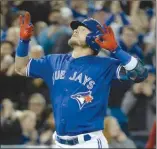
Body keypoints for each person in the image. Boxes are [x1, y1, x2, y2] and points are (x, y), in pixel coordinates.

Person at [15, 12, 148, 148]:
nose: (76, 30)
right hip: (59, 142)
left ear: (94, 39)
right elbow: (21, 67)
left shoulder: (104, 65)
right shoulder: (54, 61)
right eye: (76, 28)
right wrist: (23, 42)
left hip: (88, 143)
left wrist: (116, 50)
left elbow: (140, 73)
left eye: (82, 29)